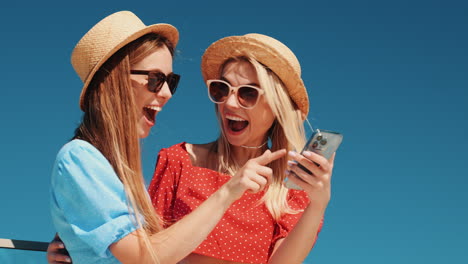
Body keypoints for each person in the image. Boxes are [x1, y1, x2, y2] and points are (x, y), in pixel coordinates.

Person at [49, 12, 286, 264]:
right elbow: (146, 258)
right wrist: (227, 192)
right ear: (115, 80)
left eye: (171, 81)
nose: (166, 93)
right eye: (155, 79)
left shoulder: (118, 171)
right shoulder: (79, 158)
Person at [146, 33, 336, 264]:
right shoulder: (179, 161)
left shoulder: (290, 189)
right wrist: (229, 190)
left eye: (248, 93)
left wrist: (317, 205)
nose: (230, 102)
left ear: (277, 106)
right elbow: (148, 254)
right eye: (221, 89)